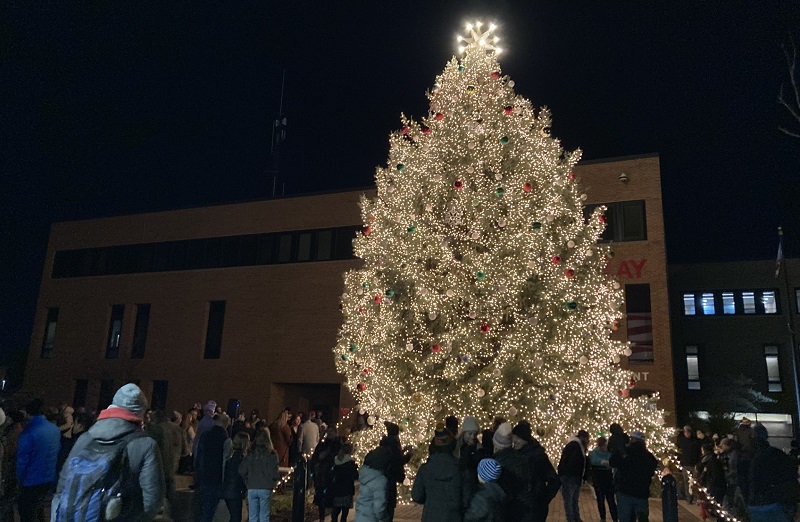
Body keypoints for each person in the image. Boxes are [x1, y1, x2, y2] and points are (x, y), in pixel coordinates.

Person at [51, 383, 165, 521]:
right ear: (140, 412)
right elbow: (153, 500)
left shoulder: (86, 437)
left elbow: (63, 486)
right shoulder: (146, 445)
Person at [17, 399, 61, 522]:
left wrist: (19, 479)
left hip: (31, 480)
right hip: (48, 477)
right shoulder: (54, 429)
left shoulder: (29, 432)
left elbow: (22, 460)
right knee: (39, 508)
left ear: (27, 413)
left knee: (27, 512)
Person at [411, 424, 465, 522]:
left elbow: (417, 496)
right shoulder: (460, 469)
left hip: (431, 516)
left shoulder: (425, 469)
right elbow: (466, 499)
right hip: (453, 517)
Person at [511, 421, 561, 522]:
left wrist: (542, 499)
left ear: (525, 439)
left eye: (518, 438)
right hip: (519, 507)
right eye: (514, 437)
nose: (515, 441)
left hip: (534, 509)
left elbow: (555, 480)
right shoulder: (515, 454)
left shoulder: (537, 456)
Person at [746, 424, 798, 522]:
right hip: (778, 501)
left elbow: (753, 482)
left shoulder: (754, 457)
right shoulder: (777, 454)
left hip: (765, 503)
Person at [610, 431, 658, 522]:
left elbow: (612, 462)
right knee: (642, 518)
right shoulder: (648, 456)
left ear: (632, 439)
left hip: (625, 490)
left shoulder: (626, 452)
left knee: (624, 518)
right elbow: (652, 469)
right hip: (641, 493)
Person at [195, 413, 231, 522]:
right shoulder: (225, 439)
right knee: (213, 509)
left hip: (204, 475)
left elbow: (198, 455)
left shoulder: (205, 435)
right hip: (217, 477)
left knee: (205, 508)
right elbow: (225, 461)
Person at [239, 429, 279, 522]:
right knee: (264, 516)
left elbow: (242, 470)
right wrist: (273, 482)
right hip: (265, 487)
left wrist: (247, 480)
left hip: (252, 486)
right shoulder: (272, 454)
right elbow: (273, 472)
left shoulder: (250, 454)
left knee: (252, 516)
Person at [310, 426, 342, 522]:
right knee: (322, 499)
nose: (331, 434)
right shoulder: (322, 444)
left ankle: (333, 517)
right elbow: (316, 457)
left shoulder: (338, 445)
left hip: (334, 475)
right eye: (329, 432)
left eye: (332, 432)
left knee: (334, 499)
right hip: (323, 474)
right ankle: (322, 518)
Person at [379, 422, 409, 522]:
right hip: (391, 476)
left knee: (385, 502)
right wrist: (409, 455)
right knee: (390, 504)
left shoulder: (386, 443)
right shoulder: (394, 443)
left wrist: (403, 451)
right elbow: (398, 460)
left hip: (385, 475)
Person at [558, 430, 589, 522]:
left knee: (572, 499)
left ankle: (575, 517)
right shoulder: (576, 446)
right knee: (570, 500)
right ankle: (572, 518)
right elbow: (574, 463)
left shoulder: (575, 445)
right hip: (570, 477)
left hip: (571, 476)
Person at [355, 446, 390, 522]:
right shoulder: (380, 480)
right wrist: (384, 519)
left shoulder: (366, 475)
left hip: (360, 516)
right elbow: (379, 506)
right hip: (371, 518)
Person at [222, 432, 249, 522]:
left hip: (229, 490)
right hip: (235, 491)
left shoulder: (232, 457)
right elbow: (241, 476)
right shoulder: (241, 459)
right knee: (236, 517)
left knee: (235, 517)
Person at [589, 436, 617, 522]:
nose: (605, 448)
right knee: (600, 499)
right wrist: (604, 462)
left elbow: (612, 461)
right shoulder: (594, 453)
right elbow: (593, 461)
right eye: (603, 446)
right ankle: (603, 517)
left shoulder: (609, 452)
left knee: (610, 499)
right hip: (598, 477)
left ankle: (615, 517)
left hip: (607, 477)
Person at [329, 442, 359, 522]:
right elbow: (355, 476)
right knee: (344, 511)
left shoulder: (336, 460)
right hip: (347, 488)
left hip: (337, 488)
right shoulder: (350, 462)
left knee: (336, 509)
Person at [696, 443, 726, 521]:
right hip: (712, 484)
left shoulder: (712, 461)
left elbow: (715, 475)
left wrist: (710, 484)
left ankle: (719, 518)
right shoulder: (708, 460)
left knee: (717, 503)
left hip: (716, 485)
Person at [457, 416, 480, 504]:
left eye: (475, 434)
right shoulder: (457, 447)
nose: (472, 437)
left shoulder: (478, 447)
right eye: (470, 434)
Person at [676, 425, 701, 503]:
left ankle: (695, 498)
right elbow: (678, 452)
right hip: (685, 464)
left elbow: (698, 452)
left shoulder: (695, 441)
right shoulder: (681, 441)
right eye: (685, 432)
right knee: (686, 482)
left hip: (694, 464)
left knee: (694, 482)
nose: (686, 433)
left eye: (688, 432)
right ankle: (688, 498)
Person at [734, 418, 755, 502]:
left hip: (740, 456)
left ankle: (743, 497)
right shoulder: (751, 431)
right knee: (749, 477)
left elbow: (736, 442)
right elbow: (753, 442)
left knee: (742, 478)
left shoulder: (737, 431)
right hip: (749, 456)